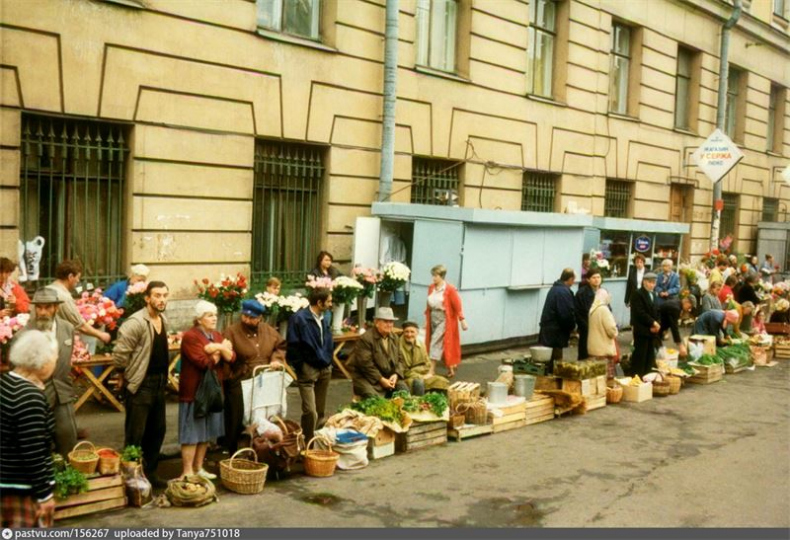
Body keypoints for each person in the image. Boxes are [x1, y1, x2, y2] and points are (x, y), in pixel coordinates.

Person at [112, 281, 170, 487]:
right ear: (147, 298)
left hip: (160, 384)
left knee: (157, 431)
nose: (161, 299)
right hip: (140, 384)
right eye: (157, 295)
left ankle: (150, 473)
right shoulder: (135, 322)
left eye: (164, 295)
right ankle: (130, 480)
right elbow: (120, 354)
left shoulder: (163, 318)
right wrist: (122, 373)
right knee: (136, 434)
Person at [1, 330, 57, 528]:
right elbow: (33, 452)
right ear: (41, 362)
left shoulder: (6, 382)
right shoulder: (30, 397)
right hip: (22, 490)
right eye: (54, 358)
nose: (55, 363)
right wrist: (45, 495)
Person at [178, 301, 233, 480]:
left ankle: (199, 467)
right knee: (191, 433)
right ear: (199, 319)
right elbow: (204, 362)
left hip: (214, 391)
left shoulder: (216, 335)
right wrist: (220, 349)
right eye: (209, 315)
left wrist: (215, 348)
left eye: (215, 314)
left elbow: (232, 358)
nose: (214, 318)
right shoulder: (191, 337)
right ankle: (187, 471)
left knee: (206, 432)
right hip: (194, 391)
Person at [222, 299, 286, 453]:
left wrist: (276, 360)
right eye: (245, 316)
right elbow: (225, 356)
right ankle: (233, 448)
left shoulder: (268, 330)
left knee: (262, 413)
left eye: (252, 318)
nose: (247, 320)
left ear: (260, 318)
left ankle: (260, 445)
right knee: (237, 414)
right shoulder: (231, 331)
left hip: (263, 379)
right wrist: (228, 377)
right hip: (240, 378)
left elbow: (281, 346)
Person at [20, 289, 77, 456]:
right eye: (39, 307)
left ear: (56, 308)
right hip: (36, 394)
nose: (43, 312)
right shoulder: (23, 335)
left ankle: (67, 476)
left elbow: (66, 358)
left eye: (47, 307)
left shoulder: (68, 329)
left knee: (68, 438)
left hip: (63, 392)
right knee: (36, 442)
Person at [286, 287, 333, 442]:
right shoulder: (299, 318)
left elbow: (328, 340)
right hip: (308, 370)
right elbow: (293, 345)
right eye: (329, 301)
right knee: (310, 411)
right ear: (319, 303)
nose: (331, 304)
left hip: (324, 368)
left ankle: (316, 444)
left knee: (320, 411)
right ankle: (307, 441)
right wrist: (301, 367)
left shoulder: (325, 317)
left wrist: (328, 362)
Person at [46, 259, 110, 345]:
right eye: (78, 277)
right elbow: (80, 325)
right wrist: (101, 335)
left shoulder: (47, 289)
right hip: (57, 344)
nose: (78, 281)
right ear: (70, 277)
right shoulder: (63, 296)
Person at [350, 307, 409, 399]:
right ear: (376, 323)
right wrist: (381, 379)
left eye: (391, 322)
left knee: (404, 393)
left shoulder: (394, 338)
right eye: (386, 321)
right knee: (377, 400)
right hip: (367, 379)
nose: (389, 325)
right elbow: (366, 365)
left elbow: (401, 360)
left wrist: (396, 374)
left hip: (389, 377)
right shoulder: (366, 339)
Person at [424, 264, 468, 379]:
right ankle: (450, 368)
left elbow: (457, 305)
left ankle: (432, 370)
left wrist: (462, 320)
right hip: (433, 317)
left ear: (442, 276)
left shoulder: (450, 289)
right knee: (442, 343)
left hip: (444, 319)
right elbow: (428, 305)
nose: (433, 278)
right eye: (433, 276)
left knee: (435, 342)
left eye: (436, 276)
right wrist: (426, 321)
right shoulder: (431, 288)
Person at [538, 268, 576, 372]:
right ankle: (553, 381)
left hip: (549, 330)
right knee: (556, 361)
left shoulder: (555, 289)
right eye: (573, 280)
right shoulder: (563, 292)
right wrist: (572, 327)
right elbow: (565, 314)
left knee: (547, 359)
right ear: (570, 279)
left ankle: (547, 377)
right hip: (556, 332)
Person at [399, 321, 449, 396]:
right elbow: (404, 371)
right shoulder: (398, 347)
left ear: (417, 333)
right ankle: (420, 405)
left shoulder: (421, 344)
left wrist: (427, 373)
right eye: (406, 332)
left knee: (442, 381)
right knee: (418, 383)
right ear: (403, 332)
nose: (409, 335)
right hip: (408, 378)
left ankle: (437, 405)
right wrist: (421, 376)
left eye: (412, 332)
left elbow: (427, 364)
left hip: (422, 374)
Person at [630, 272, 661, 378]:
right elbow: (640, 312)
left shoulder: (654, 294)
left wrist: (657, 324)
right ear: (644, 282)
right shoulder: (637, 294)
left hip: (652, 330)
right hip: (642, 329)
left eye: (654, 283)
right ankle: (636, 378)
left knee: (650, 356)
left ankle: (647, 378)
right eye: (650, 282)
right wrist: (653, 323)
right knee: (640, 356)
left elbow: (657, 310)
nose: (652, 285)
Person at [587, 288, 618, 378]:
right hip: (604, 350)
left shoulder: (592, 309)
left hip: (593, 349)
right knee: (605, 380)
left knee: (595, 379)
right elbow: (611, 330)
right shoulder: (604, 310)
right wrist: (616, 331)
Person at [574, 269, 601, 361]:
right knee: (585, 354)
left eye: (598, 277)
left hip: (600, 329)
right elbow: (577, 312)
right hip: (586, 329)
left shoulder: (602, 292)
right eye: (594, 277)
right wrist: (586, 326)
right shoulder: (582, 293)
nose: (596, 280)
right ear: (588, 280)